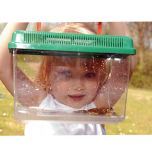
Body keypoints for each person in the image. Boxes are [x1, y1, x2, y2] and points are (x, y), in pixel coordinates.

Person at [0, 22, 132, 135]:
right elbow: (3, 65)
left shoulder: (95, 108)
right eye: (66, 74)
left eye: (89, 74)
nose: (78, 85)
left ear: (100, 75)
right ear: (48, 74)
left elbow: (125, 68)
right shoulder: (41, 103)